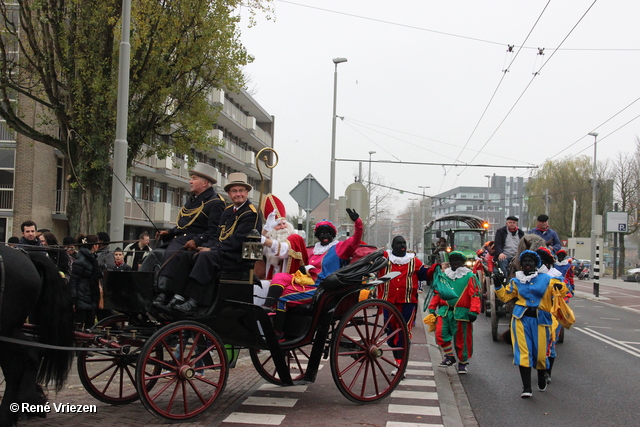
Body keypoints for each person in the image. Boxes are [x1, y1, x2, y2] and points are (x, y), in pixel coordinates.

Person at [263, 208, 362, 341]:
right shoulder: (313, 249)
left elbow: (356, 239)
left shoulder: (340, 247)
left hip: (322, 289)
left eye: (328, 233)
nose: (324, 236)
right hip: (306, 283)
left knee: (283, 297)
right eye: (321, 233)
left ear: (333, 234)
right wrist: (304, 269)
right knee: (280, 276)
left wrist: (358, 222)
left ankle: (278, 333)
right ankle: (267, 306)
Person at [171, 172, 262, 315]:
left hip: (236, 257)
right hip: (222, 251)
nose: (238, 194)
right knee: (187, 255)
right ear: (229, 193)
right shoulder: (227, 212)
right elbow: (217, 235)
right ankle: (178, 295)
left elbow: (237, 241)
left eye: (241, 191)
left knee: (206, 257)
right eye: (234, 191)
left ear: (247, 192)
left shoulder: (250, 213)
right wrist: (206, 246)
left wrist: (212, 249)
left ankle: (194, 300)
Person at [493, 250, 566, 398]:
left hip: (541, 320)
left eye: (530, 261)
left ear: (536, 264)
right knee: (523, 353)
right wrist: (498, 285)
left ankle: (541, 377)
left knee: (540, 356)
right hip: (520, 319)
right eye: (524, 261)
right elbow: (506, 297)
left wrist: (561, 288)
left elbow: (562, 290)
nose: (527, 264)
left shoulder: (547, 279)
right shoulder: (516, 281)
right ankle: (526, 388)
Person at [153, 162, 226, 306]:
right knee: (153, 254)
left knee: (174, 252)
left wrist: (197, 241)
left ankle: (165, 291)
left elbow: (214, 231)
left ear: (205, 182)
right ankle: (149, 288)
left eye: (194, 178)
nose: (190, 181)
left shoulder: (215, 202)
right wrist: (168, 232)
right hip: (181, 239)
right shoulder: (193, 200)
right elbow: (184, 226)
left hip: (192, 242)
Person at [377, 235, 428, 375]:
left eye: (404, 243)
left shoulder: (414, 261)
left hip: (408, 303)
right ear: (393, 246)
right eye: (399, 243)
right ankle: (398, 360)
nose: (402, 245)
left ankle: (400, 366)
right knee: (390, 333)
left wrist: (436, 270)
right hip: (388, 302)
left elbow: (424, 274)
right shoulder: (384, 260)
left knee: (403, 332)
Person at [427, 251, 481, 375]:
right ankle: (450, 356)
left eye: (458, 260)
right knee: (440, 334)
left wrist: (474, 310)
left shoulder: (470, 276)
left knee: (462, 340)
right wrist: (432, 307)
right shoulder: (445, 275)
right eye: (453, 260)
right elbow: (438, 292)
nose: (455, 262)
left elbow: (475, 295)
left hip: (462, 313)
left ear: (463, 262)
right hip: (445, 311)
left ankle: (462, 363)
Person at [70, 234, 102, 330]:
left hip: (90, 296)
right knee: (79, 324)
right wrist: (73, 298)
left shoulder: (93, 258)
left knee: (90, 325)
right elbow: (74, 280)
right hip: (82, 296)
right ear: (95, 245)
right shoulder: (81, 260)